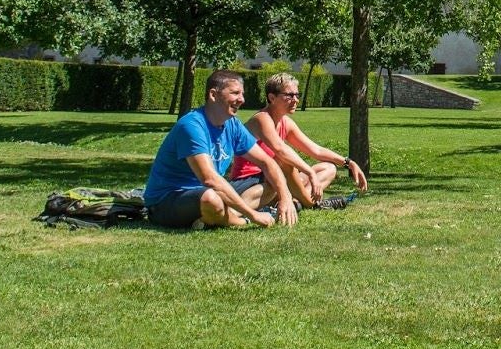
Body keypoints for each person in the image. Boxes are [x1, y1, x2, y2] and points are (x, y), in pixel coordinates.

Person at [143, 69, 298, 230]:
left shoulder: (232, 124)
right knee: (211, 198)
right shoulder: (192, 126)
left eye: (242, 94)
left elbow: (267, 162)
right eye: (235, 93)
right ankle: (238, 220)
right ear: (213, 94)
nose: (242, 99)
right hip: (166, 201)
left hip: (210, 191)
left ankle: (215, 216)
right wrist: (253, 216)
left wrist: (285, 197)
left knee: (272, 181)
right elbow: (209, 179)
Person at [230, 73, 367, 209]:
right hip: (250, 182)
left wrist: (348, 163)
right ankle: (311, 204)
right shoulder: (262, 119)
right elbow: (280, 149)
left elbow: (316, 150)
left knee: (329, 168)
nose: (295, 100)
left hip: (272, 179)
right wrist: (310, 172)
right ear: (272, 97)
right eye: (289, 95)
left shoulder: (285, 122)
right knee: (283, 162)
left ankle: (297, 202)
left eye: (297, 95)